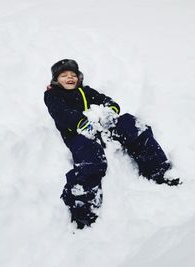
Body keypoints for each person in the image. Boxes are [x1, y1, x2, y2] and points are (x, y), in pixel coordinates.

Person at [44, 59, 181, 229]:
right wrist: (81, 123)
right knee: (91, 159)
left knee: (132, 125)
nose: (69, 78)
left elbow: (106, 100)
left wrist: (110, 111)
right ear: (56, 80)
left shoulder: (86, 91)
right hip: (78, 134)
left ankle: (158, 170)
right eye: (64, 75)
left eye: (73, 75)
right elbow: (61, 113)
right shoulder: (52, 95)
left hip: (101, 126)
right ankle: (84, 208)